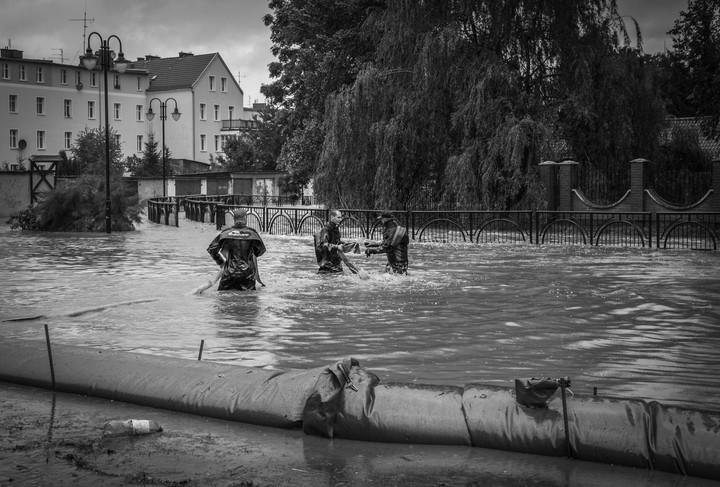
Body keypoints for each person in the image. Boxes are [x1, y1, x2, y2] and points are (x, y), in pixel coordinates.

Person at [206, 208, 266, 290]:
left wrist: (221, 262)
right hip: (247, 274)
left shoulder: (226, 233)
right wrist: (250, 254)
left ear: (234, 219)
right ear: (245, 218)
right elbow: (261, 250)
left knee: (223, 300)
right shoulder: (252, 233)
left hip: (229, 273)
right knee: (249, 300)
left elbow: (212, 249)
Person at [315, 209, 346, 274]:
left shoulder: (335, 228)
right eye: (338, 217)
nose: (340, 220)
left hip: (336, 264)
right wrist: (337, 247)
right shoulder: (326, 229)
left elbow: (336, 242)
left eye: (341, 217)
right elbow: (323, 245)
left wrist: (346, 245)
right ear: (332, 217)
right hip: (327, 266)